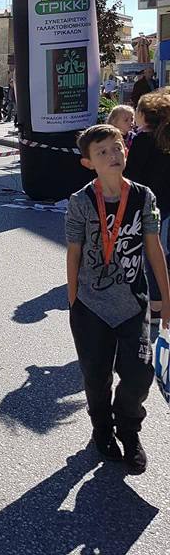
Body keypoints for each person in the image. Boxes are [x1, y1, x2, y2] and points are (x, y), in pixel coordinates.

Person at [66, 123, 170, 472]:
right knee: (96, 377)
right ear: (89, 163)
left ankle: (128, 427)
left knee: (140, 375)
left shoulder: (143, 196)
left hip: (132, 304)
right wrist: (73, 300)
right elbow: (74, 253)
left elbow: (154, 250)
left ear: (126, 150)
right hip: (91, 307)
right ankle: (102, 429)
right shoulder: (81, 202)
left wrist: (166, 298)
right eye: (102, 152)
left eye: (117, 147)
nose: (112, 155)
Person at [125, 89, 170, 317]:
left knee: (153, 255)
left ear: (145, 114)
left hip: (153, 205)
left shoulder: (144, 139)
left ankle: (157, 306)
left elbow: (132, 176)